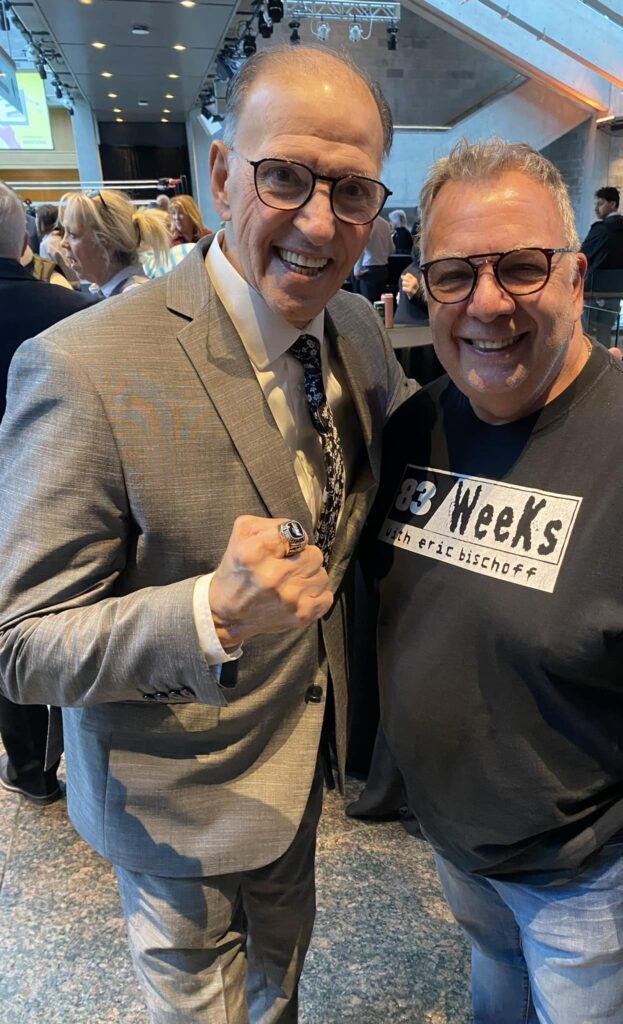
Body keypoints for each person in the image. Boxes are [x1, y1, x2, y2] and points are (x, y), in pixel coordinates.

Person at [0, 46, 411, 1024]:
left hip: (303, 772)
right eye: (286, 177)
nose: (319, 221)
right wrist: (204, 615)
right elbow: (20, 643)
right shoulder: (82, 365)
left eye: (351, 190)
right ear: (224, 176)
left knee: (280, 988)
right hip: (172, 802)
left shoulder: (354, 331)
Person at [362, 138, 623, 1024]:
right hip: (460, 842)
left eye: (520, 268)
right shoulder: (419, 428)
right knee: (497, 986)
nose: (488, 304)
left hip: (590, 872)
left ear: (578, 279)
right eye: (454, 276)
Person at [0, 182, 91, 806]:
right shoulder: (69, 311)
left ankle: (27, 761)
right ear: (24, 236)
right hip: (50, 498)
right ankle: (71, 756)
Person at [58, 189, 166, 297]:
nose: (63, 243)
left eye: (72, 235)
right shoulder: (114, 294)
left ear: (106, 243)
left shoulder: (133, 298)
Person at [580, 185, 623, 347]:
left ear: (613, 204)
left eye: (601, 203)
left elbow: (583, 255)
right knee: (605, 334)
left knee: (585, 335)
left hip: (593, 291)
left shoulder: (602, 229)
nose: (596, 208)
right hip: (614, 291)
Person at [353, 212, 394, 302]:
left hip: (368, 270)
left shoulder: (366, 223)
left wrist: (356, 269)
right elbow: (392, 249)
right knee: (381, 305)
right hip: (383, 269)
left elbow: (361, 247)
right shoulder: (386, 224)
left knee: (368, 305)